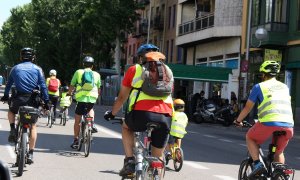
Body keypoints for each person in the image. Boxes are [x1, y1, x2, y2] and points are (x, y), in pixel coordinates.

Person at [104, 43, 174, 177]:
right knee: (157, 159)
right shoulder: (167, 71)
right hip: (166, 116)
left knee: (126, 127)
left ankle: (130, 160)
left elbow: (122, 97)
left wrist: (112, 114)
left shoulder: (134, 69)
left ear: (141, 58)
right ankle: (156, 173)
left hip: (141, 113)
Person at [234, 60, 294, 178]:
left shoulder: (259, 86)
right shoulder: (285, 87)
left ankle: (257, 165)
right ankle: (279, 174)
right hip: (288, 125)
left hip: (268, 123)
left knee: (250, 137)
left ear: (263, 74)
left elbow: (247, 107)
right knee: (279, 152)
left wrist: (238, 120)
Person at [0, 47, 49, 163]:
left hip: (18, 99)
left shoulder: (15, 69)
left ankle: (12, 129)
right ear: (33, 57)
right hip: (33, 100)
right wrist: (46, 102)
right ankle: (31, 153)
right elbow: (43, 86)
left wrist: (6, 96)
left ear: (21, 57)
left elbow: (8, 85)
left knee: (11, 111)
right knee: (33, 126)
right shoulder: (38, 69)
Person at [68, 56, 101, 148]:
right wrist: (97, 96)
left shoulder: (78, 72)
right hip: (92, 98)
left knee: (77, 120)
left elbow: (72, 85)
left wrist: (69, 94)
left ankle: (75, 140)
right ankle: (91, 124)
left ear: (83, 64)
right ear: (92, 66)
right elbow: (99, 88)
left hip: (81, 98)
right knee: (90, 109)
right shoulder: (97, 74)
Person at [165, 99, 188, 165]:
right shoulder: (184, 115)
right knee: (179, 138)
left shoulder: (173, 113)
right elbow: (186, 123)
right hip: (181, 133)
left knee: (168, 142)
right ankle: (178, 150)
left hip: (172, 132)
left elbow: (168, 122)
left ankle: (169, 153)